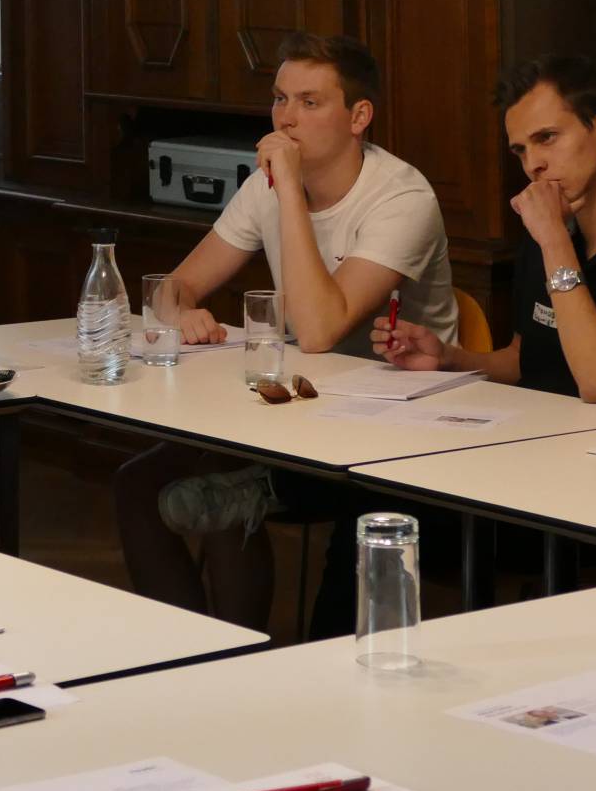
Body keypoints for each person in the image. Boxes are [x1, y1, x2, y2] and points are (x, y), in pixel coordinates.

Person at [114, 32, 455, 636]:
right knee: (137, 482)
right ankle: (202, 653)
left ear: (359, 117)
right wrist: (182, 310)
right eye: (279, 100)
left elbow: (321, 330)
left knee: (219, 481)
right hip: (295, 402)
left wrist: (290, 193)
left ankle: (245, 651)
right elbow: (170, 288)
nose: (286, 119)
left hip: (394, 425)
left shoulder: (403, 197)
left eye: (310, 103)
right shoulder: (263, 188)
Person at [374, 55, 596, 409]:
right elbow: (524, 359)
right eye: (521, 150)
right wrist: (451, 359)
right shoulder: (547, 235)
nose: (532, 164)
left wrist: (553, 240)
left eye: (547, 138)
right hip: (537, 443)